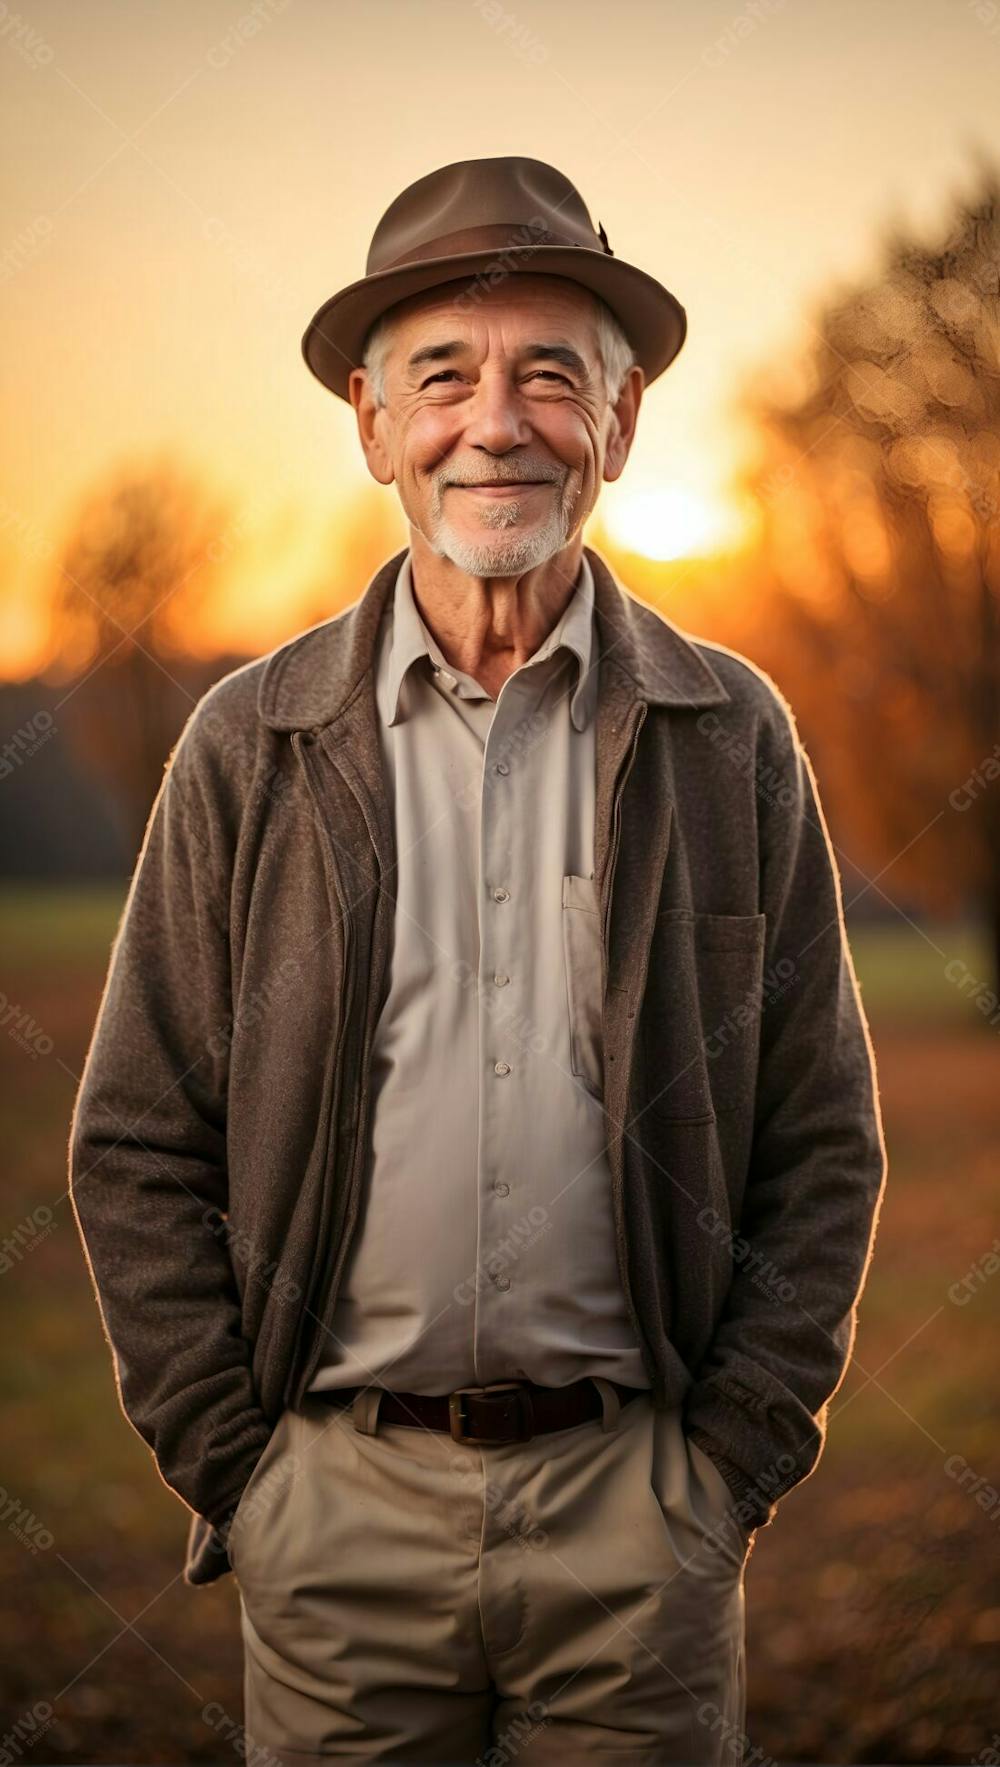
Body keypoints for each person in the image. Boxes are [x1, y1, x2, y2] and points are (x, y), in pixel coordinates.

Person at [69, 156, 888, 1764]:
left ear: (623, 422)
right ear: (373, 424)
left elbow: (825, 1142)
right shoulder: (251, 744)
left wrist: (724, 1467)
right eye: (443, 375)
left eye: (549, 379)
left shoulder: (729, 741)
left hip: (637, 1520)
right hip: (334, 1520)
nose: (494, 424)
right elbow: (135, 1142)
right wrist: (244, 1474)